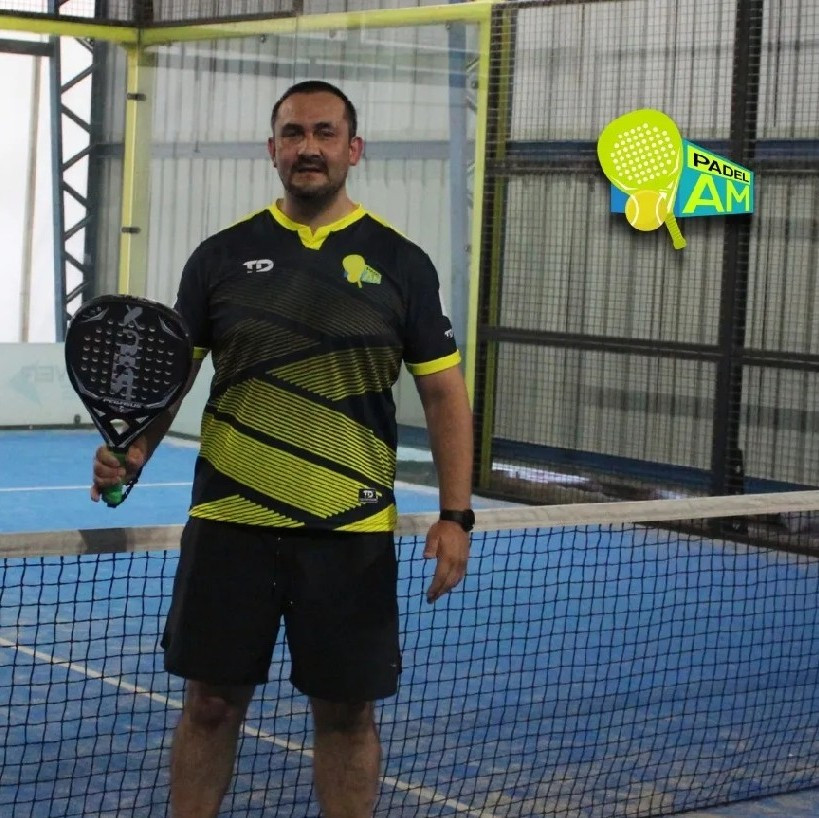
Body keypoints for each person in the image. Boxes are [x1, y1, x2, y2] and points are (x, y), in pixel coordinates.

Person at [91, 80, 474, 818]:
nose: (308, 147)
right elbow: (172, 379)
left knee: (348, 715)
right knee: (208, 706)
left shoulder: (402, 263)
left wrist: (456, 515)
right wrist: (131, 456)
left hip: (349, 533)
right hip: (229, 524)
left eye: (325, 133)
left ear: (353, 150)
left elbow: (443, 395)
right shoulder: (220, 257)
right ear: (272, 150)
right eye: (293, 133)